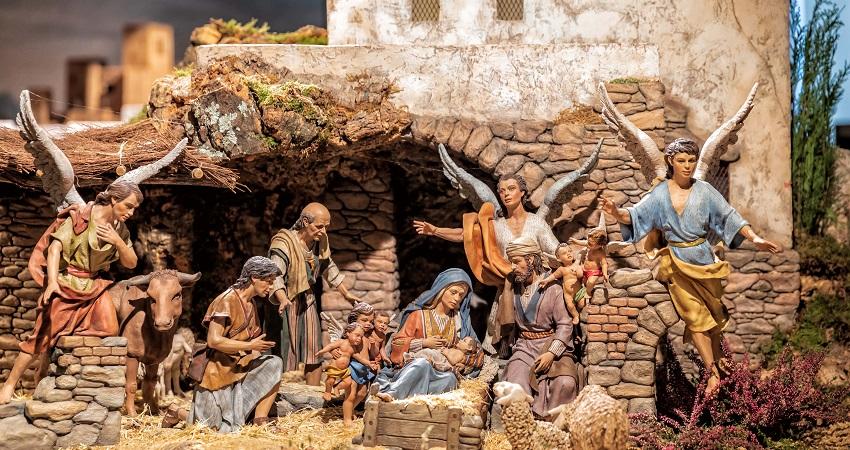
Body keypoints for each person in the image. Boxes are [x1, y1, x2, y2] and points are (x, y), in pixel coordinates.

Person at [600, 138, 781, 392]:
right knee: (695, 317)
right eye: (681, 160)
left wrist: (754, 238)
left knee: (713, 318)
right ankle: (712, 373)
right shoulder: (660, 193)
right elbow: (635, 215)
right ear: (670, 162)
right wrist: (615, 212)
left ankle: (722, 370)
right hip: (676, 262)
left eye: (691, 160)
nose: (687, 166)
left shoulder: (705, 190)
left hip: (705, 263)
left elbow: (729, 216)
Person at [0, 181, 142, 404]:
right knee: (41, 336)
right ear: (114, 199)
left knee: (109, 330)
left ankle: (80, 378)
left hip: (94, 287)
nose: (131, 213)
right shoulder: (81, 217)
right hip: (68, 284)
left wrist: (118, 242)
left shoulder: (120, 230)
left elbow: (131, 263)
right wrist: (52, 282)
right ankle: (9, 384)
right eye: (129, 206)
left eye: (134, 208)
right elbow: (55, 248)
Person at [162, 256, 283, 431]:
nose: (271, 287)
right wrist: (249, 346)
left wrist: (255, 356)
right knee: (214, 428)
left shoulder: (251, 304)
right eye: (269, 281)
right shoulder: (226, 300)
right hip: (217, 372)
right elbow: (214, 340)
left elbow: (252, 340)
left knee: (274, 363)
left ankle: (260, 420)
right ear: (254, 277)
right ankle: (176, 412)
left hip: (239, 367)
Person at [266, 202, 361, 385]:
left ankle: (313, 393)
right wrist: (283, 298)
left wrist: (346, 293)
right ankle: (275, 391)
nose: (323, 231)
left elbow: (328, 266)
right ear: (305, 222)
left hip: (307, 298)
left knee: (314, 347)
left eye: (326, 227)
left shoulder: (319, 243)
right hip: (285, 300)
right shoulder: (283, 244)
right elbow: (275, 275)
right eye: (319, 226)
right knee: (285, 346)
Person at [373, 268, 482, 401]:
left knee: (450, 380)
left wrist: (463, 363)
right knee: (423, 364)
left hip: (440, 371)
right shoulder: (418, 315)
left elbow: (474, 351)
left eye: (461, 295)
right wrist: (424, 343)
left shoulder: (459, 321)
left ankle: (415, 396)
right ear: (441, 289)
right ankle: (393, 392)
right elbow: (397, 343)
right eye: (453, 292)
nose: (457, 298)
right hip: (415, 366)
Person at [501, 236, 579, 418]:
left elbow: (565, 324)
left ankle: (553, 426)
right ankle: (522, 426)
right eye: (511, 262)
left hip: (552, 345)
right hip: (524, 347)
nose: (513, 267)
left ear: (530, 260)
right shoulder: (512, 288)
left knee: (565, 383)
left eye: (516, 261)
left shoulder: (553, 288)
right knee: (516, 385)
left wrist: (551, 353)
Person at [539, 243, 585, 324]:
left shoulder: (577, 265)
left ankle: (578, 311)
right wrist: (546, 280)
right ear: (559, 259)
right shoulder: (562, 269)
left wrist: (578, 271)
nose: (568, 254)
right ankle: (575, 315)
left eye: (570, 251)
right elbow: (553, 276)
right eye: (564, 253)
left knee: (581, 303)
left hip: (579, 291)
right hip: (568, 294)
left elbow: (581, 275)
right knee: (570, 306)